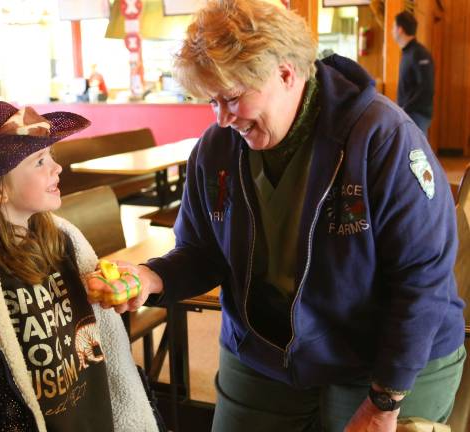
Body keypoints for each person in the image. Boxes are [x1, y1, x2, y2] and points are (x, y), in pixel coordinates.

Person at [88, 1, 465, 431]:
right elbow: (200, 250)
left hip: (386, 353)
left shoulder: (382, 137)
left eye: (231, 98)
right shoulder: (217, 148)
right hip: (267, 347)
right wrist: (148, 277)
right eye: (212, 101)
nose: (222, 119)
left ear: (286, 74)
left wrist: (383, 402)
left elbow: (423, 279)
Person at [0, 101, 161, 431]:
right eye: (39, 162)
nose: (57, 169)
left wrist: (113, 289)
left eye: (51, 156)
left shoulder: (64, 242)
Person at [392, 11, 435, 136]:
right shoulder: (407, 53)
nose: (391, 31)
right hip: (408, 114)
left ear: (400, 29)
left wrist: (405, 108)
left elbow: (426, 87)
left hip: (416, 115)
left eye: (393, 27)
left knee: (416, 154)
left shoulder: (419, 53)